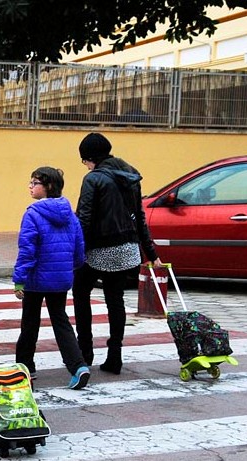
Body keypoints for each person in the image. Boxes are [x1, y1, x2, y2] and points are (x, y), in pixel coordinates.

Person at [73, 132, 163, 375]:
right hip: (127, 249)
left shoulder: (93, 179)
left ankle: (85, 351)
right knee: (116, 299)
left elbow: (84, 218)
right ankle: (115, 355)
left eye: (84, 160)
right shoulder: (131, 175)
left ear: (90, 158)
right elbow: (139, 216)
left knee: (81, 291)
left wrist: (75, 250)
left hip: (98, 249)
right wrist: (151, 252)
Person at [13, 166, 89, 389]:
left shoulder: (33, 214)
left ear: (48, 187)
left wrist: (19, 279)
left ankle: (25, 367)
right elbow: (78, 248)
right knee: (61, 321)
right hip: (60, 278)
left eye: (34, 183)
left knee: (30, 322)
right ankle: (77, 366)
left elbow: (27, 250)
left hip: (36, 279)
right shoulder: (70, 215)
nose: (30, 186)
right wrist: (71, 267)